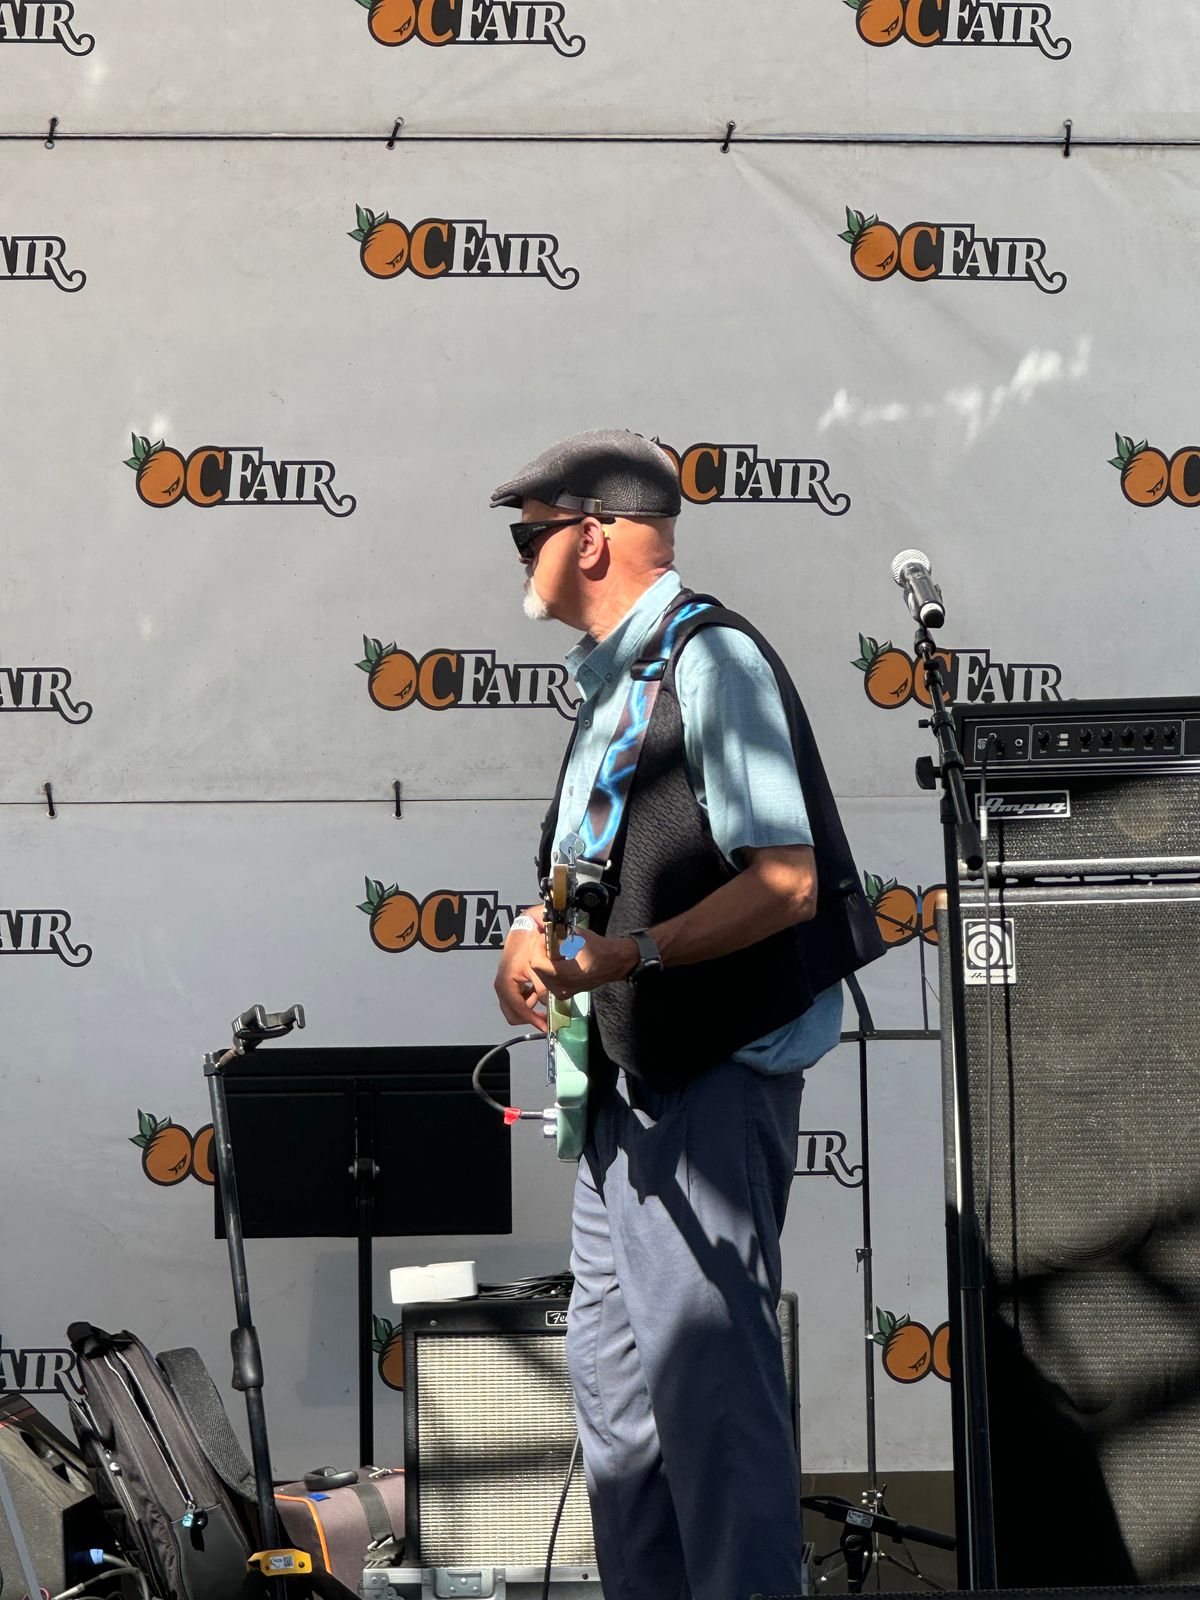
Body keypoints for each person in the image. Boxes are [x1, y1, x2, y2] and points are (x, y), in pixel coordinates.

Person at [490, 430, 883, 1600]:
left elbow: (787, 882)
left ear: (590, 537)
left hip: (705, 1084)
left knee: (712, 1410)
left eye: (527, 535)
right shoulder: (615, 677)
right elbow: (597, 864)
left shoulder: (714, 662)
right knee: (621, 1420)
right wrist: (531, 931)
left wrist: (635, 953)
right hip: (625, 1089)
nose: (518, 558)